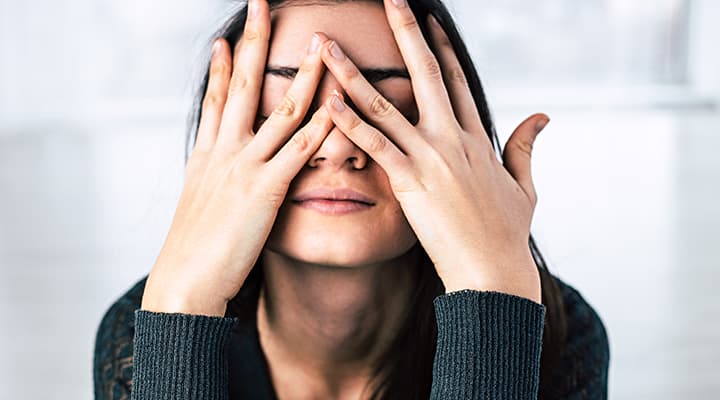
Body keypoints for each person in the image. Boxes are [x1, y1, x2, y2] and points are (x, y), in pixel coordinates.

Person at [94, 0, 610, 398]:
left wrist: (495, 294)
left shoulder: (558, 337)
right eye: (291, 103)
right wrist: (181, 311)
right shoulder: (136, 334)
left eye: (382, 101)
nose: (339, 146)